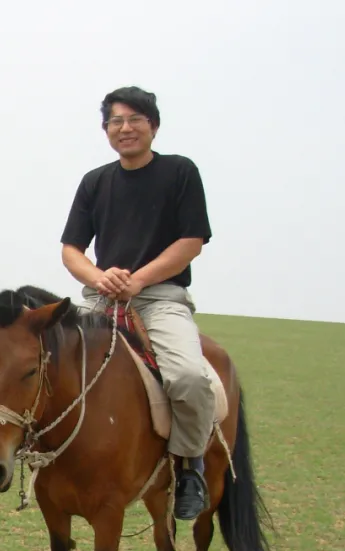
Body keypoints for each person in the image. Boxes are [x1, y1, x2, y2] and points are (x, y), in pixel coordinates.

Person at [59, 85, 215, 521]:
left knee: (187, 377)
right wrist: (99, 276)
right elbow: (71, 249)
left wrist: (139, 280)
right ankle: (45, 458)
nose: (124, 128)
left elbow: (191, 242)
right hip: (100, 298)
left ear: (153, 126)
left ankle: (190, 469)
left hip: (160, 299)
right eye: (115, 121)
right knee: (52, 365)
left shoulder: (181, 172)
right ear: (106, 129)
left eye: (134, 120)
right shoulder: (95, 181)